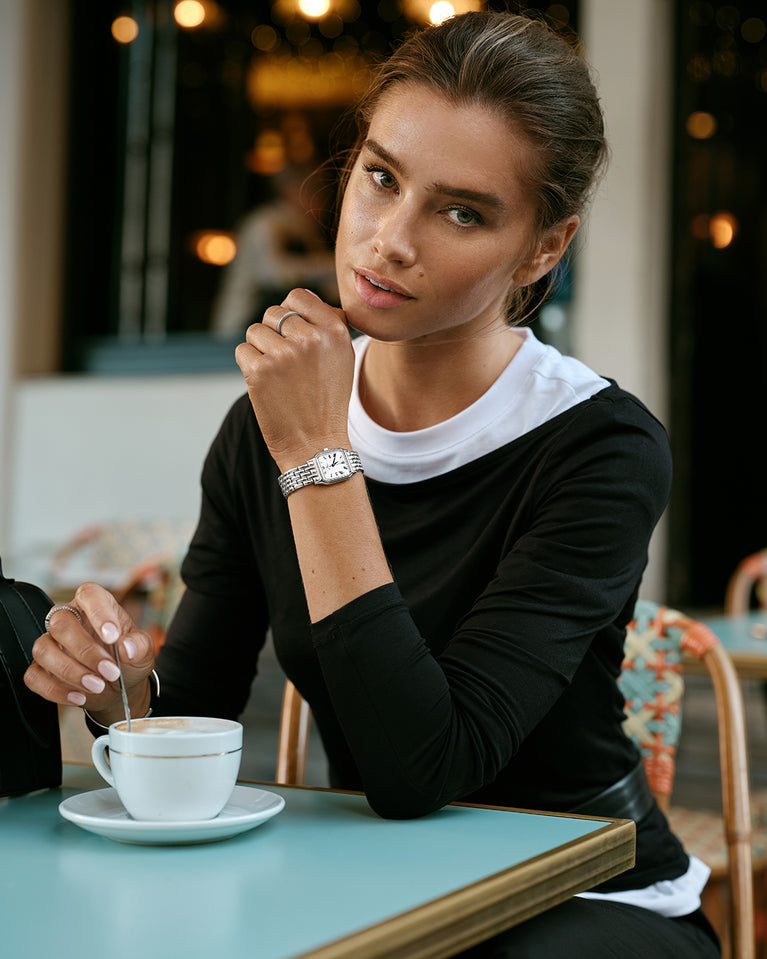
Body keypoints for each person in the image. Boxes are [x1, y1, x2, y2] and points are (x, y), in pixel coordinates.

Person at [26, 11, 719, 958]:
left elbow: (419, 763)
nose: (390, 239)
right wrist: (122, 690)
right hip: (372, 879)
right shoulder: (260, 428)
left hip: (583, 891)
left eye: (462, 211)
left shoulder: (597, 447)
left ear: (543, 251)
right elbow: (196, 717)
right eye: (381, 178)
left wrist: (317, 451)